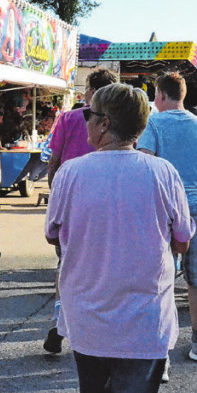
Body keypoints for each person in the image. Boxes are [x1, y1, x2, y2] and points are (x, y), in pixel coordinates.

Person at [47, 83, 194, 393]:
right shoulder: (162, 173)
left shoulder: (70, 173)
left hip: (88, 320)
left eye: (89, 114)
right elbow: (182, 241)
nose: (84, 121)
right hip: (144, 322)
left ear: (105, 123)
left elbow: (52, 234)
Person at [137, 72, 197, 363]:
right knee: (196, 278)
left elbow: (145, 166)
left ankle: (159, 347)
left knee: (159, 278)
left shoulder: (152, 123)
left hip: (161, 209)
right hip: (196, 207)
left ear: (160, 95)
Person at [42, 66, 118, 355]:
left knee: (67, 263)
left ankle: (59, 320)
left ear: (89, 90)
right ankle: (96, 328)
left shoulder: (68, 118)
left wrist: (55, 193)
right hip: (106, 202)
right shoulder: (114, 122)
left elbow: (54, 160)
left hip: (72, 198)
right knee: (103, 265)